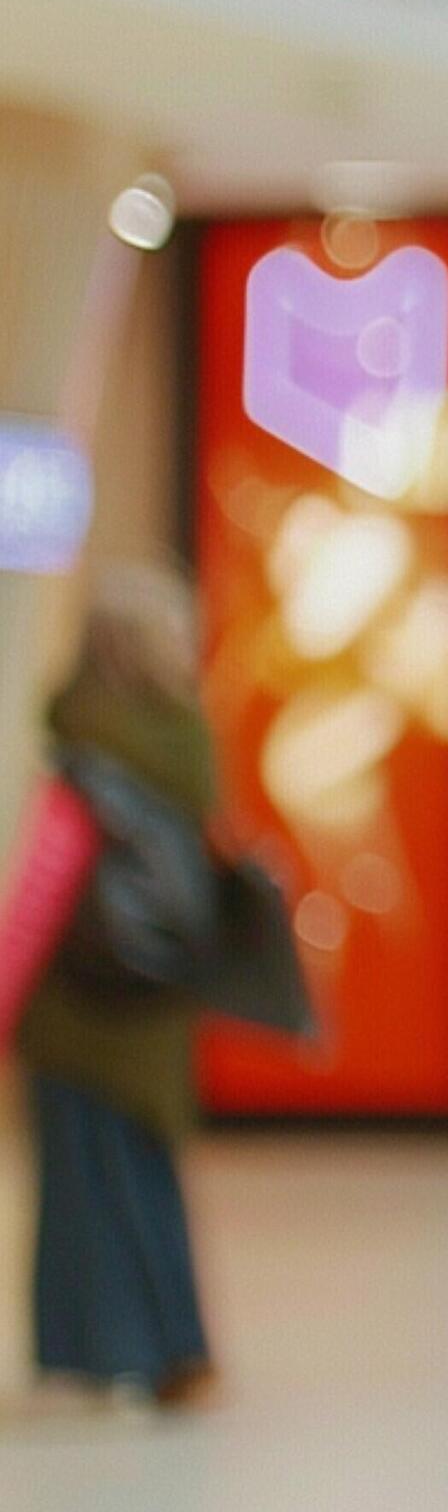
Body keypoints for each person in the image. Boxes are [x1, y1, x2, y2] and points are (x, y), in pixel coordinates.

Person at [16, 562, 221, 1407]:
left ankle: (97, 1353)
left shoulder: (86, 749)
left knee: (83, 1186)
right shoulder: (185, 744)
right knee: (146, 1176)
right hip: (155, 1001)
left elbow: (40, 892)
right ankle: (175, 1345)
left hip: (77, 1008)